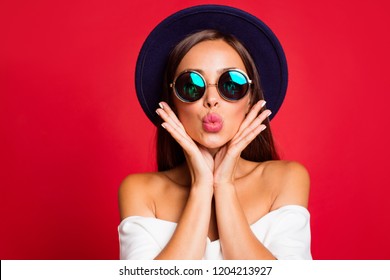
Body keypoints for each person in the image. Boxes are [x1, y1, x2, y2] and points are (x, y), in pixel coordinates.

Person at [118, 5, 311, 260]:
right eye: (191, 85)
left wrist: (224, 184)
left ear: (251, 99)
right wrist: (201, 187)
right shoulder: (140, 191)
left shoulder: (286, 179)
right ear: (172, 101)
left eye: (231, 84)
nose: (211, 100)